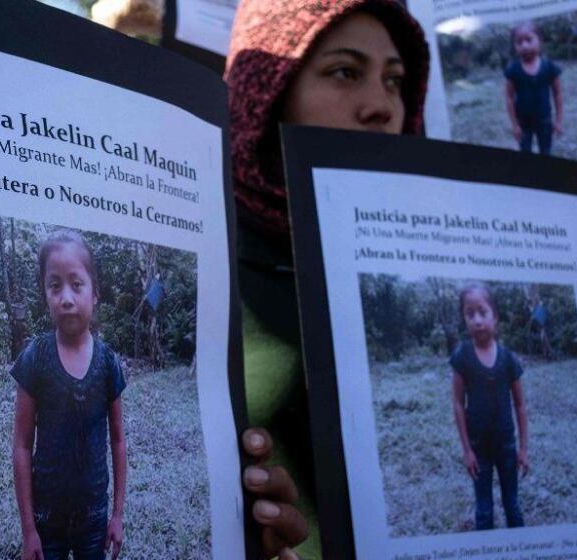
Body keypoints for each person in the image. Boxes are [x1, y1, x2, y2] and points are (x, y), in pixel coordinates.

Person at [225, 0, 430, 557]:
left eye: (395, 81)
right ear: (266, 94)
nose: (381, 107)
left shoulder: (422, 266)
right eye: (344, 71)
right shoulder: (209, 261)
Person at [11, 230, 126, 560]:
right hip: (47, 522)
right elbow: (21, 444)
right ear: (45, 294)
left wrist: (116, 515)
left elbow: (118, 440)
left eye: (76, 284)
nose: (66, 297)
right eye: (55, 285)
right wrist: (29, 530)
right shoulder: (34, 358)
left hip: (94, 519)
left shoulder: (108, 363)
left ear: (94, 293)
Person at [451, 283, 529, 530]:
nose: (477, 320)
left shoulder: (508, 359)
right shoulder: (462, 356)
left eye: (482, 312)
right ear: (464, 318)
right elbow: (457, 403)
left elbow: (520, 405)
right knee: (483, 510)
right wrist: (467, 451)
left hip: (507, 446)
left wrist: (523, 449)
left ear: (495, 316)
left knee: (512, 506)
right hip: (478, 449)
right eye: (469, 313)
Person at [504, 21, 564, 155]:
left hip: (544, 120)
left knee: (546, 152)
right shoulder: (513, 69)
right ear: (515, 46)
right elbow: (509, 97)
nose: (524, 46)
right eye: (519, 42)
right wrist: (515, 126)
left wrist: (558, 121)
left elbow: (558, 94)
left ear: (539, 41)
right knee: (525, 154)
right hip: (523, 122)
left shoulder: (549, 66)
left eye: (529, 40)